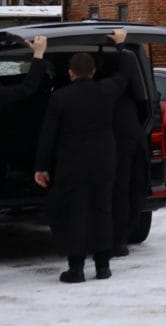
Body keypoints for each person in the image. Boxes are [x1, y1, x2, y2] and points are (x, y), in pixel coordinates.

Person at [33, 38, 117, 283]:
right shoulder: (107, 91)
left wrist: (41, 167)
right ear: (93, 72)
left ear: (70, 73)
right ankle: (103, 266)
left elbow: (48, 136)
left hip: (72, 164)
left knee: (76, 213)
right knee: (102, 210)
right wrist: (120, 48)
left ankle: (76, 269)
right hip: (104, 163)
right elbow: (125, 74)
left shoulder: (60, 98)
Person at [97, 28, 146, 257]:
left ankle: (106, 240)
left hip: (103, 146)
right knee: (122, 190)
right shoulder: (123, 92)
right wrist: (121, 48)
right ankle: (119, 240)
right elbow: (127, 73)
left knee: (107, 192)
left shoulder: (95, 90)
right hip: (127, 140)